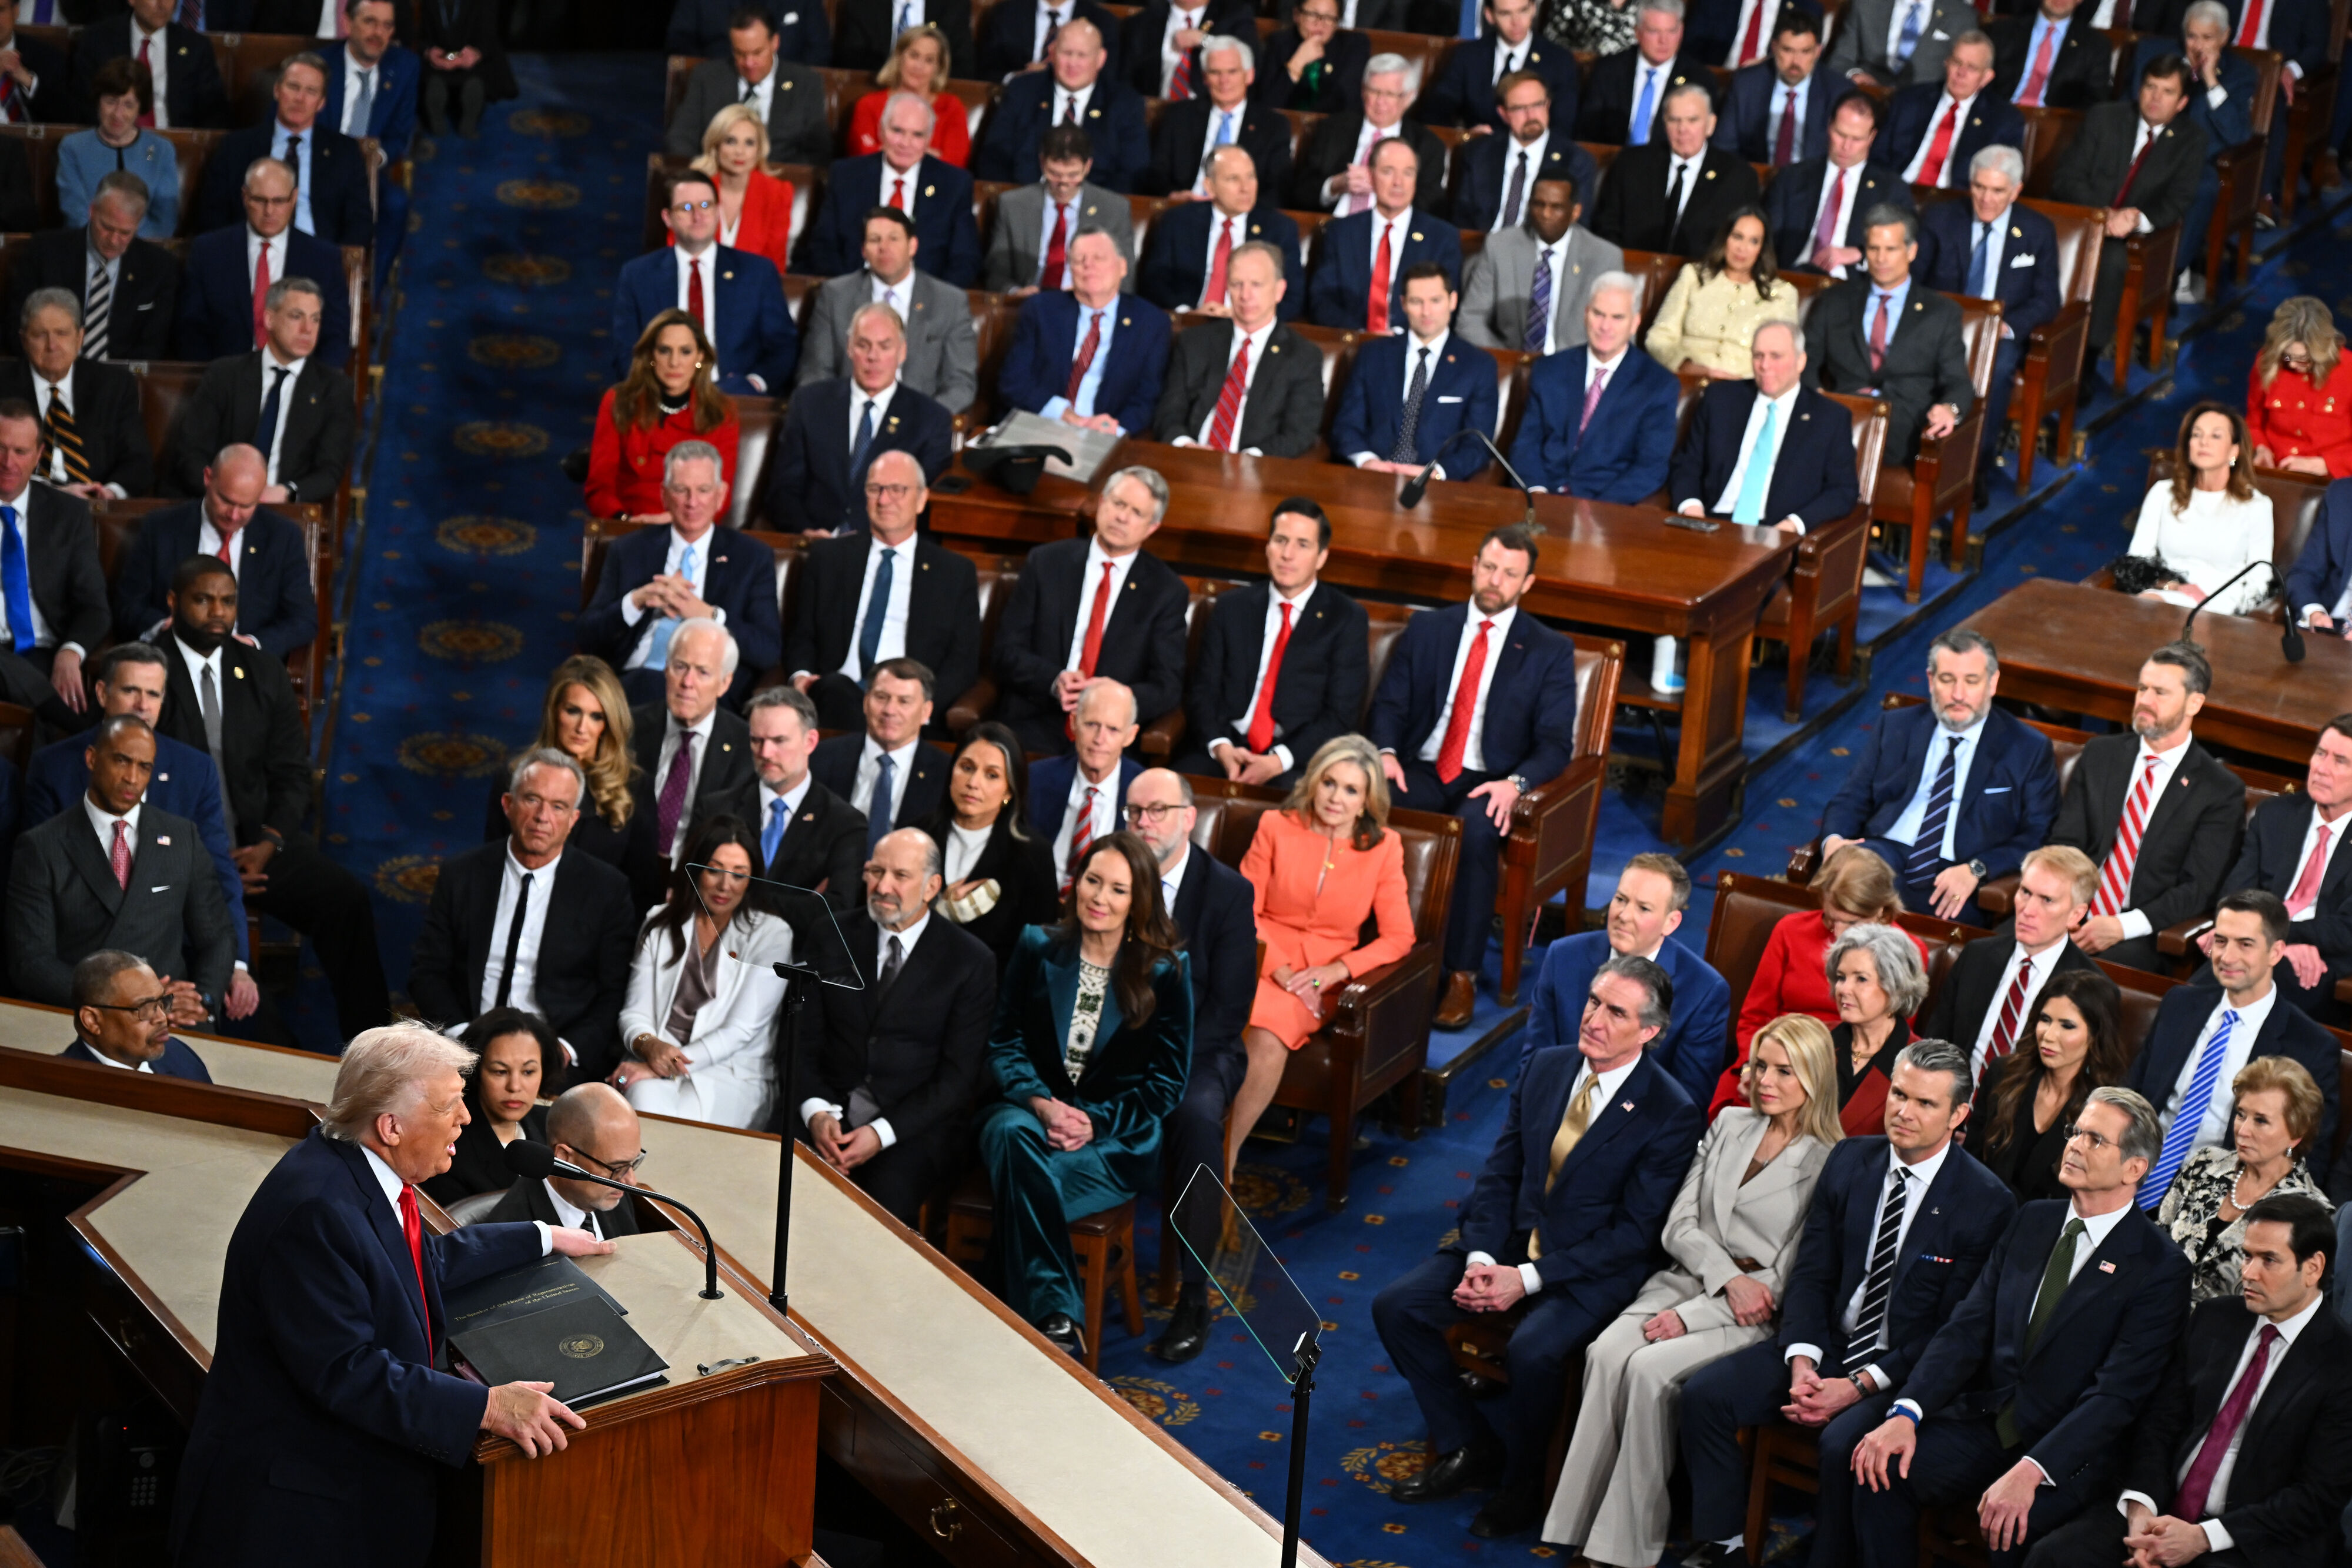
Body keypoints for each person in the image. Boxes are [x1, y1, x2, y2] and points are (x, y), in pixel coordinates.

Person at [168, 1025, 613, 1564]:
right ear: (391, 1126)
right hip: (295, 1515)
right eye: (449, 1105)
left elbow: (417, 1264)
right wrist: (489, 1404)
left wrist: (540, 1236)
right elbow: (348, 1370)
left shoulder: (354, 1169)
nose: (466, 1117)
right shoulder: (316, 1211)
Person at [1374, 954, 1704, 1537]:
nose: (1593, 1019)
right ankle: (1469, 1443)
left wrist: (1526, 1280)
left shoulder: (1668, 1111)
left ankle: (1524, 1482)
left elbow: (1633, 1235)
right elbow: (1500, 1173)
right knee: (1398, 1306)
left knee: (1532, 1351)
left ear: (1649, 1032)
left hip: (1587, 1272)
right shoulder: (1548, 1066)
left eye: (1616, 1012)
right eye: (1594, 1001)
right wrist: (1481, 1257)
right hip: (1506, 1245)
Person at [1678, 1039, 2016, 1568]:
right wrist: (1803, 1360)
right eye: (1899, 1094)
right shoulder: (1851, 1158)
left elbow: (1951, 1331)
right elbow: (1812, 1273)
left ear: (1958, 1115)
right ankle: (1724, 1545)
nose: (1904, 1111)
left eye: (1925, 1103)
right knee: (1706, 1395)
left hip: (1901, 1369)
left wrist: (1857, 1386)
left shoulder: (1986, 1201)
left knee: (1842, 1445)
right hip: (1828, 1344)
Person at [1842, 1087, 2192, 1567]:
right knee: (1880, 1469)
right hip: (1990, 1420)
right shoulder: (2032, 1218)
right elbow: (1968, 1327)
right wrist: (1908, 1410)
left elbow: (2116, 1394)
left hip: (2066, 1452)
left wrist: (2033, 1469)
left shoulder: (2159, 1265)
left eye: (2094, 1139)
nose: (2074, 1145)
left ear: (2135, 1168)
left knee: (2011, 1529)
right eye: (2075, 1132)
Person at [1542, 1014, 1840, 1562]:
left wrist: (1699, 1312)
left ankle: (1627, 1543)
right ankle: (1575, 1521)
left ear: (1814, 1077)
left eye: (1784, 1071)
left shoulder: (1831, 1161)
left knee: (1647, 1370)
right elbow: (1678, 1224)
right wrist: (1725, 1276)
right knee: (1604, 1352)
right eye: (1760, 1066)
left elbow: (1791, 1273)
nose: (1765, 1080)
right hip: (1684, 1280)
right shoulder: (1729, 1122)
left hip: (1749, 1315)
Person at [2026, 1192, 2352, 1568]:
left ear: (2313, 1268)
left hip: (2249, 1541)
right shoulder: (2215, 1319)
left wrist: (2202, 1538)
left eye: (2269, 1260)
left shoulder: (2341, 1362)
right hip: (2160, 1510)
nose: (2248, 1273)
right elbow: (2160, 1424)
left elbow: (2317, 1496)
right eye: (2247, 1256)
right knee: (2052, 1557)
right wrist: (2142, 1506)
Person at [980, 832, 1193, 1361]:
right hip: (1029, 1116)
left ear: (1139, 900)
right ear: (1075, 884)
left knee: (1026, 1182)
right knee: (1009, 1132)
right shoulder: (1037, 945)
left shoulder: (1166, 972)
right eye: (1093, 881)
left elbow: (1167, 1084)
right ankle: (1056, 1322)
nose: (1100, 897)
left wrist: (1094, 1122)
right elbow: (1004, 1042)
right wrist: (1041, 1103)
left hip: (1113, 1141)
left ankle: (1012, 1311)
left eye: (1118, 889)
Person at [1367, 525, 1579, 1028]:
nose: (1495, 580)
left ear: (1527, 583)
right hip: (1421, 766)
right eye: (1488, 567)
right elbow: (1390, 703)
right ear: (1474, 565)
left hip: (1492, 778)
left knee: (1477, 831)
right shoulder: (1429, 628)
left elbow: (1555, 743)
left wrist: (1516, 784)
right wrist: (1385, 753)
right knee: (1374, 808)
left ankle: (1460, 974)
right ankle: (1373, 950)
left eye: (1509, 573)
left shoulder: (1549, 649)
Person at [28, 642, 252, 1014]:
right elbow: (35, 888)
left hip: (171, 964)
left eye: (153, 694)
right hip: (80, 973)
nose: (142, 705)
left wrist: (217, 984)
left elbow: (218, 877)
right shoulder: (53, 768)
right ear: (102, 693)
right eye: (131, 690)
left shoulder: (194, 770)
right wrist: (127, 1003)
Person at [1118, 767, 1257, 1365]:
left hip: (1202, 1051)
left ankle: (1194, 1297)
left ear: (1188, 818)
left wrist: (1166, 1064)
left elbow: (1230, 1007)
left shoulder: (1227, 892)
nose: (1144, 823)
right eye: (1134, 812)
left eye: (1157, 811)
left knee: (1197, 1116)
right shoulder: (1113, 876)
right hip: (1121, 1044)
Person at [1229, 734, 1418, 1160]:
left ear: (1367, 802)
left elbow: (1399, 936)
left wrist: (1336, 971)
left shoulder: (1384, 847)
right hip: (1259, 958)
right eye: (1329, 783)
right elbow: (1243, 910)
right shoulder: (1276, 826)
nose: (1336, 798)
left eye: (1351, 790)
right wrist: (1279, 969)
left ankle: (1224, 1159)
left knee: (1269, 1031)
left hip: (1322, 979)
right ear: (1313, 781)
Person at [799, 825, 997, 1222]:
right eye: (875, 871)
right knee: (771, 1184)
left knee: (878, 1212)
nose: (882, 886)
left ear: (931, 887)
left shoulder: (970, 961)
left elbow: (958, 1079)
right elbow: (800, 1042)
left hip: (912, 1127)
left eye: (900, 876)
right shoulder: (831, 933)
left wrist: (880, 1133)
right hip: (826, 1108)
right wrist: (817, 1112)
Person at [409, 750, 640, 1082]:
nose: (543, 817)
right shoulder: (461, 875)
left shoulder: (607, 889)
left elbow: (613, 993)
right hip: (465, 1047)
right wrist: (462, 1039)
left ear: (573, 819)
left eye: (558, 806)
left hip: (555, 1058)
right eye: (533, 800)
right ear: (508, 805)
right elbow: (428, 972)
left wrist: (565, 1050)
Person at [1819, 629, 2059, 921]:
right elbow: (1852, 797)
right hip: (1883, 852)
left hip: (1958, 870)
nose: (1958, 695)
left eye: (1971, 681)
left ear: (1992, 683)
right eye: (1947, 680)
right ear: (1931, 681)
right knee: (1851, 889)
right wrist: (1833, 841)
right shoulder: (1895, 726)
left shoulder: (2028, 748)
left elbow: (2037, 835)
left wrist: (1978, 869)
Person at [5, 716, 233, 1019]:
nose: (132, 778)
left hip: (169, 1017)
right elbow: (31, 962)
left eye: (144, 767)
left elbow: (217, 937)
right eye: (122, 761)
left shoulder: (183, 838)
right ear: (92, 759)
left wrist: (202, 1000)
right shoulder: (41, 846)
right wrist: (122, 1002)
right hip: (82, 1014)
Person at [2126, 890, 2342, 1198]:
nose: (2227, 957)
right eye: (2221, 941)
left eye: (2245, 944)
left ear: (2276, 953)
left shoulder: (2312, 1047)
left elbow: (2308, 1162)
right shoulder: (2180, 1004)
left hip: (2221, 1200)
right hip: (2134, 1175)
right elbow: (2131, 1094)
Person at [2048, 641, 2246, 974]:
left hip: (2143, 931)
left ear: (2194, 703)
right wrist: (2062, 906)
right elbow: (2066, 843)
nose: (2144, 700)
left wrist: (2122, 926)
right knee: (1994, 952)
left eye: (2160, 693)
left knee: (2081, 977)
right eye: (2142, 689)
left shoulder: (2219, 790)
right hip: (2072, 909)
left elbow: (2198, 888)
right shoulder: (2101, 754)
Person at [991, 466, 1188, 757]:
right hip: (1037, 716)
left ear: (1152, 528)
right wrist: (1054, 680)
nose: (1122, 517)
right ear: (1102, 503)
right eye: (1118, 504)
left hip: (1110, 735)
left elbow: (1166, 687)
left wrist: (1115, 697)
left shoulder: (1166, 592)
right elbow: (1005, 652)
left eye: (1137, 513)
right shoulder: (1046, 563)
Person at [1174, 497, 1369, 788]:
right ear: (1268, 547)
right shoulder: (1231, 607)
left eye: (1302, 545)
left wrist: (1279, 760)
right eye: (1280, 541)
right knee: (1171, 788)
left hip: (1295, 759)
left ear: (1321, 557)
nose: (1287, 555)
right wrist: (1221, 746)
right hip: (1225, 747)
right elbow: (1204, 691)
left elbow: (1341, 716)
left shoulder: (1346, 619)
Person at [782, 449, 981, 730]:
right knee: (836, 690)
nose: (884, 500)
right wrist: (801, 677)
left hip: (909, 706)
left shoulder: (954, 572)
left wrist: (923, 706)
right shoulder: (829, 558)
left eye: (897, 490)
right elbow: (803, 636)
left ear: (921, 499)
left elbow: (962, 662)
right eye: (875, 489)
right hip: (836, 696)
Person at [1717, 845, 1924, 1114]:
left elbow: (1893, 1041)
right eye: (1830, 919)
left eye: (1852, 923)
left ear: (1882, 912)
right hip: (1774, 1056)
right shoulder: (1790, 930)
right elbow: (1755, 1018)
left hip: (1846, 1077)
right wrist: (1752, 1067)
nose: (1838, 933)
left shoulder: (1905, 951)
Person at [614, 816, 790, 1130]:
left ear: (752, 880)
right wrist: (650, 1046)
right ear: (695, 870)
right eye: (714, 870)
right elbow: (634, 1012)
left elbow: (741, 1030)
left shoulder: (773, 933)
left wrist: (667, 1065)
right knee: (642, 1105)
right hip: (656, 1059)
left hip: (729, 1074)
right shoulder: (659, 921)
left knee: (682, 1132)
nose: (725, 886)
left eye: (739, 875)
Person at [577, 442, 781, 709]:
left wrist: (710, 616)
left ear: (721, 495)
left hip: (710, 696)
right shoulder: (629, 550)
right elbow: (587, 636)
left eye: (703, 490)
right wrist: (636, 601)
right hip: (635, 684)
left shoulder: (752, 558)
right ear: (664, 495)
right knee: (649, 685)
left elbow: (767, 651)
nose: (692, 502)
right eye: (681, 490)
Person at [1519, 854, 1732, 1108]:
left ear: (1671, 922)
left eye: (1643, 908)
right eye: (1621, 900)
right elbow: (1534, 1062)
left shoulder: (1704, 992)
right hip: (1557, 1108)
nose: (1624, 915)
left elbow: (1687, 1103)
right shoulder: (1563, 956)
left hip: (1637, 1123)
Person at [1916, 146, 2059, 482]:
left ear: (2016, 191)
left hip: (1999, 335)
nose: (1986, 199)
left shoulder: (2037, 231)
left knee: (2001, 365)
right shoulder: (1940, 219)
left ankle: (1974, 468)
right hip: (1939, 326)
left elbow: (2048, 299)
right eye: (1979, 187)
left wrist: (2007, 327)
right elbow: (1915, 282)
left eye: (1997, 191)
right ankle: (1921, 459)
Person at [2049, 57, 2206, 360]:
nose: (2155, 98)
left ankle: (2088, 356)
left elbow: (2178, 200)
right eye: (2150, 87)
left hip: (2129, 237)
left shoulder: (2191, 141)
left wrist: (2136, 220)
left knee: (2111, 262)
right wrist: (2103, 215)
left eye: (2167, 91)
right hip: (2081, 218)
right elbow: (2066, 177)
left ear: (2182, 102)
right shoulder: (2105, 117)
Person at [767, 302, 954, 539]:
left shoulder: (930, 420)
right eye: (863, 345)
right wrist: (806, 531)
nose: (873, 357)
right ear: (849, 348)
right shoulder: (809, 403)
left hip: (883, 546)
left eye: (885, 347)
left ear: (902, 352)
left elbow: (924, 506)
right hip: (815, 544)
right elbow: (783, 489)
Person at [2156, 1056, 2331, 1301]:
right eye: (2241, 1115)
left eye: (2261, 1121)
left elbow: (2288, 1303)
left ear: (2296, 1134)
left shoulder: (2311, 1213)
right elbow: (2156, 1241)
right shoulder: (2205, 1164)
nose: (2243, 1130)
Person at [1808, 205, 1973, 464]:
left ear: (1912, 251)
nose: (1881, 259)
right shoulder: (1835, 301)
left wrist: (1949, 409)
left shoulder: (1941, 313)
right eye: (1874, 249)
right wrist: (1815, 397)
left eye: (1891, 249)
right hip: (1841, 416)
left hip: (1905, 428)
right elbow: (1805, 360)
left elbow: (1958, 383)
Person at [170, 276, 354, 507]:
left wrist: (286, 493)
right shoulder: (225, 375)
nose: (308, 329)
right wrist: (224, 494)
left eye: (315, 319)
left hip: (282, 508)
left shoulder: (335, 389)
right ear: (269, 319)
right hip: (219, 502)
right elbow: (191, 452)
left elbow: (330, 472)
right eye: (296, 316)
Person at [113, 446, 315, 656]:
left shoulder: (282, 537)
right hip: (173, 657)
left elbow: (303, 619)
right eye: (226, 501)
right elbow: (128, 605)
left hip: (247, 661)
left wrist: (253, 645)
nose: (233, 515)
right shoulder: (160, 528)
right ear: (208, 478)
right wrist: (164, 627)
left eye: (246, 506)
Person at [613, 170, 798, 397]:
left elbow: (783, 346)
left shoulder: (757, 272)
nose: (698, 216)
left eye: (705, 206)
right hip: (662, 396)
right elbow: (628, 351)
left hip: (735, 398)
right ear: (668, 218)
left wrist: (754, 383)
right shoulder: (638, 275)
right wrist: (655, 386)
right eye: (686, 208)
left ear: (718, 211)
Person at [1669, 319, 1858, 541]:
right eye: (1758, 356)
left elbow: (1842, 490)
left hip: (1776, 530)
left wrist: (1794, 525)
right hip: (1711, 523)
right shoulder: (1720, 400)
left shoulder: (1830, 418)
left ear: (1800, 361)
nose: (1765, 366)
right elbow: (1688, 463)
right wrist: (1692, 509)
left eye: (1776, 356)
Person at [1922, 844, 2100, 1076]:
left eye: (2047, 900)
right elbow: (1936, 1043)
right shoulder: (1977, 955)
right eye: (2025, 892)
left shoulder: (2091, 988)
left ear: (2076, 915)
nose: (2028, 910)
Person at [481, 658, 655, 892]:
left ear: (609, 723)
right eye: (573, 711)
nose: (582, 728)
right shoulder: (515, 776)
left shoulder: (635, 786)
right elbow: (494, 869)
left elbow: (643, 886)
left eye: (596, 716)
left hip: (601, 912)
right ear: (554, 712)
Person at [2220, 715, 2352, 1019]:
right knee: (2195, 994)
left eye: (2340, 761)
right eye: (2321, 754)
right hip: (2255, 944)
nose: (2322, 768)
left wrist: (2272, 939)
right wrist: (2274, 944)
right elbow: (2236, 893)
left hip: (2321, 960)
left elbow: (2347, 930)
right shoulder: (2276, 814)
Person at [1506, 273, 1680, 502]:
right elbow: (1526, 444)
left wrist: (1597, 511)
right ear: (1586, 314)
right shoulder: (1549, 370)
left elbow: (1651, 467)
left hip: (1606, 506)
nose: (1605, 326)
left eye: (1617, 317)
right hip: (1542, 497)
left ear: (1635, 323)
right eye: (1598, 314)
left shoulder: (1658, 385)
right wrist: (1537, 492)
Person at [1969, 966, 2131, 1205]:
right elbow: (1970, 1158)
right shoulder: (2002, 1074)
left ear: (2096, 1035)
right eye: (2045, 1020)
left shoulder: (2107, 1111)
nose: (2049, 1035)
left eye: (2067, 1026)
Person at [2129, 2, 2255, 303]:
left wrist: (2211, 82)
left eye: (2207, 38)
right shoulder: (2153, 54)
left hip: (2198, 161)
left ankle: (2171, 271)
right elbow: (2131, 104)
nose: (2198, 46)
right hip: (2145, 146)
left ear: (2225, 36)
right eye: (2192, 36)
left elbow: (2237, 134)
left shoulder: (2240, 74)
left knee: (2204, 187)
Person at [796, 207, 979, 414]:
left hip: (918, 417)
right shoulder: (835, 296)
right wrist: (835, 415)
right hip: (848, 413)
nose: (884, 247)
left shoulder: (949, 302)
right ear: (864, 250)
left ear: (913, 246)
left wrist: (924, 420)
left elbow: (961, 384)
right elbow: (815, 372)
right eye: (875, 240)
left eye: (894, 239)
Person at [177, 158, 352, 370]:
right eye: (260, 200)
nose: (269, 211)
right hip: (225, 378)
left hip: (298, 379)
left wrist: (310, 383)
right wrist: (214, 379)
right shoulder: (209, 251)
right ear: (245, 197)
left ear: (294, 198)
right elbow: (191, 329)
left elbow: (335, 335)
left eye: (279, 201)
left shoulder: (323, 258)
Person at [997, 227, 1171, 436]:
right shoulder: (1041, 310)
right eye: (1079, 260)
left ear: (1123, 267)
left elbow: (1147, 398)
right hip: (1039, 426)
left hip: (1105, 436)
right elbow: (1014, 381)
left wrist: (1110, 430)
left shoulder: (1151, 323)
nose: (1089, 265)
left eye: (1099, 258)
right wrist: (1067, 416)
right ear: (1071, 270)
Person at [794, 91, 982, 285]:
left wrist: (931, 297)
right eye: (898, 131)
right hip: (854, 291)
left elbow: (965, 259)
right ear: (882, 130)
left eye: (917, 135)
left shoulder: (954, 184)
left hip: (924, 296)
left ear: (929, 138)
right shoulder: (846, 176)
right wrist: (850, 291)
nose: (906, 143)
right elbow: (823, 246)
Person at [627, 620, 759, 895]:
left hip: (697, 890)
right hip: (626, 877)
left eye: (703, 672)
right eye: (680, 667)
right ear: (666, 668)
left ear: (725, 683)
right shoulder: (629, 728)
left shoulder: (746, 749)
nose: (687, 683)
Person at [0, 399, 108, 730]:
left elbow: (94, 607)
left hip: (45, 654)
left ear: (39, 455)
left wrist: (71, 652)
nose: (8, 462)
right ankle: (70, 724)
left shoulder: (67, 515)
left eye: (20, 452)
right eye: (0, 449)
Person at [1329, 263, 1497, 476]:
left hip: (1437, 483)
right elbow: (1346, 425)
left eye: (1435, 301)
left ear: (1453, 301)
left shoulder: (1478, 366)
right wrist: (1367, 461)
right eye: (1416, 302)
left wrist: (1436, 473)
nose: (1426, 312)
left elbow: (1477, 446)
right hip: (1372, 475)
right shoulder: (1372, 355)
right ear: (1403, 304)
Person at [917, 721, 1058, 971]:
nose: (973, 782)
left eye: (992, 775)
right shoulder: (915, 835)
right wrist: (941, 911)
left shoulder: (1033, 855)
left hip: (991, 985)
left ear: (1009, 791)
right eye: (967, 768)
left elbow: (1036, 951)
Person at [193, 54, 372, 246]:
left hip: (318, 253)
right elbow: (212, 216)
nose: (300, 99)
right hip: (253, 252)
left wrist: (333, 258)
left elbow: (360, 224)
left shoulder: (344, 152)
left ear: (321, 103)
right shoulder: (236, 147)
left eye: (311, 91)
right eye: (293, 87)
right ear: (277, 90)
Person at [583, 312, 740, 524]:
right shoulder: (619, 402)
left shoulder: (722, 412)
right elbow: (599, 488)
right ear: (651, 356)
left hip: (690, 529)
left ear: (700, 357)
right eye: (665, 351)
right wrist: (626, 522)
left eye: (685, 352)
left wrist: (672, 523)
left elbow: (720, 496)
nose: (674, 362)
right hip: (628, 526)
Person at [8, 174, 177, 363]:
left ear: (138, 225)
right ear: (92, 211)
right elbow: (19, 323)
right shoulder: (45, 251)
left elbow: (153, 346)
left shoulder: (159, 267)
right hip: (48, 368)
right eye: (107, 227)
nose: (114, 240)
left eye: (125, 233)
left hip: (120, 376)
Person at [2, 287, 152, 501]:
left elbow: (138, 462)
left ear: (80, 337)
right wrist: (51, 493)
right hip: (22, 505)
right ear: (24, 340)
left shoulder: (114, 386)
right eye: (40, 335)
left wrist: (108, 493)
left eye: (62, 333)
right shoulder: (4, 385)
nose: (52, 346)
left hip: (95, 506)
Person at [2123, 406, 2276, 615]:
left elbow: (2260, 578)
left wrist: (2238, 618)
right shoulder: (2163, 493)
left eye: (2216, 436)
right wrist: (2173, 587)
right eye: (2197, 435)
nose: (2204, 442)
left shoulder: (2256, 506)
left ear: (2234, 451)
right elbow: (2137, 561)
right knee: (2147, 604)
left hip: (2224, 605)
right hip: (2167, 593)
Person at [972, 18, 1148, 194]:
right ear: (1052, 52)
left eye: (1082, 55)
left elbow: (1132, 172)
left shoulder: (1125, 103)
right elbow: (994, 155)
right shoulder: (1023, 91)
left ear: (1101, 59)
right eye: (1067, 53)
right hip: (1025, 198)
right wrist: (1018, 201)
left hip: (1096, 205)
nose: (1073, 64)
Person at [1305, 141, 1465, 334]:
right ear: (1371, 176)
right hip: (1352, 338)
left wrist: (1399, 339)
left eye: (1408, 173)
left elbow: (1445, 307)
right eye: (1388, 172)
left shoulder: (1442, 237)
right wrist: (1361, 334)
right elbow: (1322, 300)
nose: (1399, 182)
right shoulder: (1340, 232)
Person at [1456, 176, 1622, 355]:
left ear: (1575, 212)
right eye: (1539, 205)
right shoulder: (1500, 246)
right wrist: (1506, 360)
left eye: (1556, 207)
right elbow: (1470, 319)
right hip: (1510, 359)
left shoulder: (1604, 257)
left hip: (1573, 365)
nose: (1546, 214)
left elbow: (1617, 330)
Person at [1590, 85, 1760, 259]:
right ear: (1664, 124)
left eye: (1692, 120)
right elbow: (1607, 227)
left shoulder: (1738, 177)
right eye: (1674, 120)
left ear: (1711, 124)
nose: (1682, 129)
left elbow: (1736, 243)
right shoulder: (1631, 164)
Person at [1134, 145, 1305, 317]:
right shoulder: (1179, 220)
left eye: (1251, 177)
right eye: (1233, 179)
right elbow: (1155, 281)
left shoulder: (1280, 229)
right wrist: (1187, 313)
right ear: (1210, 187)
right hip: (1191, 319)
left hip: (1248, 325)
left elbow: (1292, 297)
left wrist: (1244, 317)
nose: (1246, 188)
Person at [1764, 92, 1915, 281]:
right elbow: (1767, 237)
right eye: (1841, 135)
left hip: (1853, 286)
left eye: (1857, 139)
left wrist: (1860, 253)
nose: (1846, 146)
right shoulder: (1792, 178)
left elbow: (1904, 248)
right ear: (1829, 126)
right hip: (1791, 277)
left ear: (1872, 137)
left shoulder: (1891, 190)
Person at [419, 1008, 557, 1207]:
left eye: (528, 1072)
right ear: (475, 1071)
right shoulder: (448, 1144)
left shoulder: (554, 1125)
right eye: (500, 1071)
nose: (515, 1087)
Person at [742, 685, 866, 906]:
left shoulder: (845, 824)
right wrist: (801, 904)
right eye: (757, 740)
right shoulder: (717, 808)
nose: (765, 753)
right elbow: (695, 890)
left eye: (779, 741)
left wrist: (740, 901)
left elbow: (836, 909)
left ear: (810, 742)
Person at [812, 656, 951, 850]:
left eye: (904, 701)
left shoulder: (946, 773)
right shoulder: (822, 757)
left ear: (926, 712)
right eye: (881, 697)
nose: (890, 710)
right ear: (865, 702)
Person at [323, 0, 420, 278]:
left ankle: (370, 291)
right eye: (370, 22)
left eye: (387, 26)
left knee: (396, 204)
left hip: (370, 172)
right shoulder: (322, 64)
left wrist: (374, 158)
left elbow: (399, 134)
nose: (379, 33)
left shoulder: (405, 67)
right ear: (348, 23)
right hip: (322, 167)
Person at [984, 128, 1142, 294]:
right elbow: (996, 272)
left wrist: (1089, 293)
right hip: (1029, 300)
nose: (1064, 184)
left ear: (1088, 166)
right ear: (1042, 163)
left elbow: (1124, 277)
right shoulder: (1013, 205)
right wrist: (1016, 292)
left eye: (1073, 175)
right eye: (1054, 174)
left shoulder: (1114, 210)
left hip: (1087, 300)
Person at [1645, 210, 1800, 378]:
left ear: (1761, 249)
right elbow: (1658, 338)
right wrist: (1689, 368)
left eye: (1754, 241)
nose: (1742, 248)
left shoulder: (1783, 294)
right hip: (1685, 379)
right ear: (1725, 238)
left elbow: (1784, 359)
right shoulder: (1693, 276)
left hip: (1744, 386)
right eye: (1737, 237)